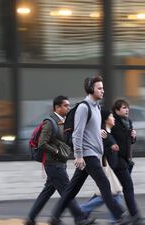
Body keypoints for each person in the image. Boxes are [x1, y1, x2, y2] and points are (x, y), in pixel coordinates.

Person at [49, 76, 130, 225]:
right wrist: (78, 156)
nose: (103, 90)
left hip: (93, 153)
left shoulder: (97, 107)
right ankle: (119, 215)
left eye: (103, 88)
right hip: (87, 154)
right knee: (105, 184)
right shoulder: (83, 107)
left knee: (72, 188)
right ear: (91, 89)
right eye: (99, 88)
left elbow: (89, 129)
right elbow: (77, 133)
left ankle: (55, 217)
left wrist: (98, 133)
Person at [24, 96, 93, 225]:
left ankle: (30, 218)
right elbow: (42, 144)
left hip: (60, 163)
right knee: (68, 191)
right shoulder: (50, 122)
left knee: (47, 192)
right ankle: (80, 218)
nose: (68, 107)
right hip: (53, 164)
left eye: (68, 105)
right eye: (65, 105)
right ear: (57, 107)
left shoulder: (63, 122)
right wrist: (56, 152)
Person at [80, 110, 124, 225]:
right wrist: (111, 148)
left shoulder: (108, 132)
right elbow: (99, 150)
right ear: (105, 119)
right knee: (113, 193)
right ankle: (115, 219)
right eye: (111, 116)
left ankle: (83, 211)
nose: (113, 118)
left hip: (109, 167)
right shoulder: (102, 133)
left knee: (110, 194)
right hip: (105, 167)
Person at [111, 99, 145, 225]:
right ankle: (135, 216)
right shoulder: (112, 122)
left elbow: (129, 142)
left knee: (113, 191)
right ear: (116, 110)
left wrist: (133, 137)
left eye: (127, 107)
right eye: (124, 107)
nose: (127, 110)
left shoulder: (128, 122)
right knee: (128, 187)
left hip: (126, 160)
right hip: (117, 160)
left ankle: (117, 218)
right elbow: (109, 138)